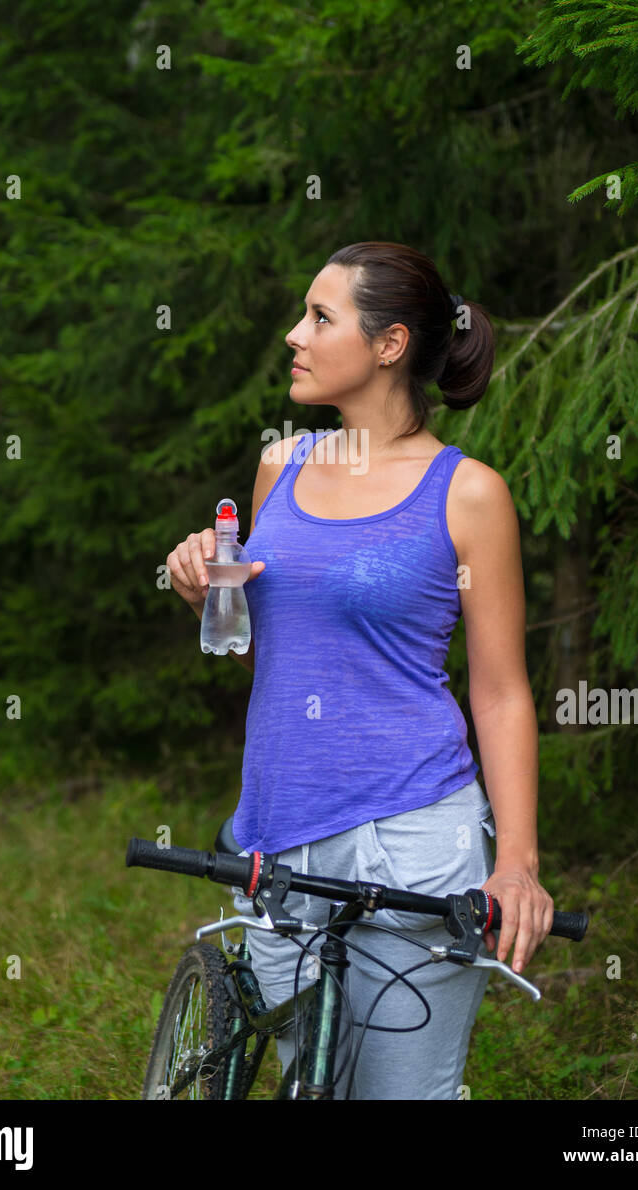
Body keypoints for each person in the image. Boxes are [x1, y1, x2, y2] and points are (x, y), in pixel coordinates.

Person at [166, 240, 553, 1099]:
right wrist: (206, 593)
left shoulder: (468, 494)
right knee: (317, 1086)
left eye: (320, 317)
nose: (293, 335)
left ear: (389, 345)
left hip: (412, 840)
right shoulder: (283, 465)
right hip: (276, 830)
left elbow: (499, 691)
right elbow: (280, 652)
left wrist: (516, 862)